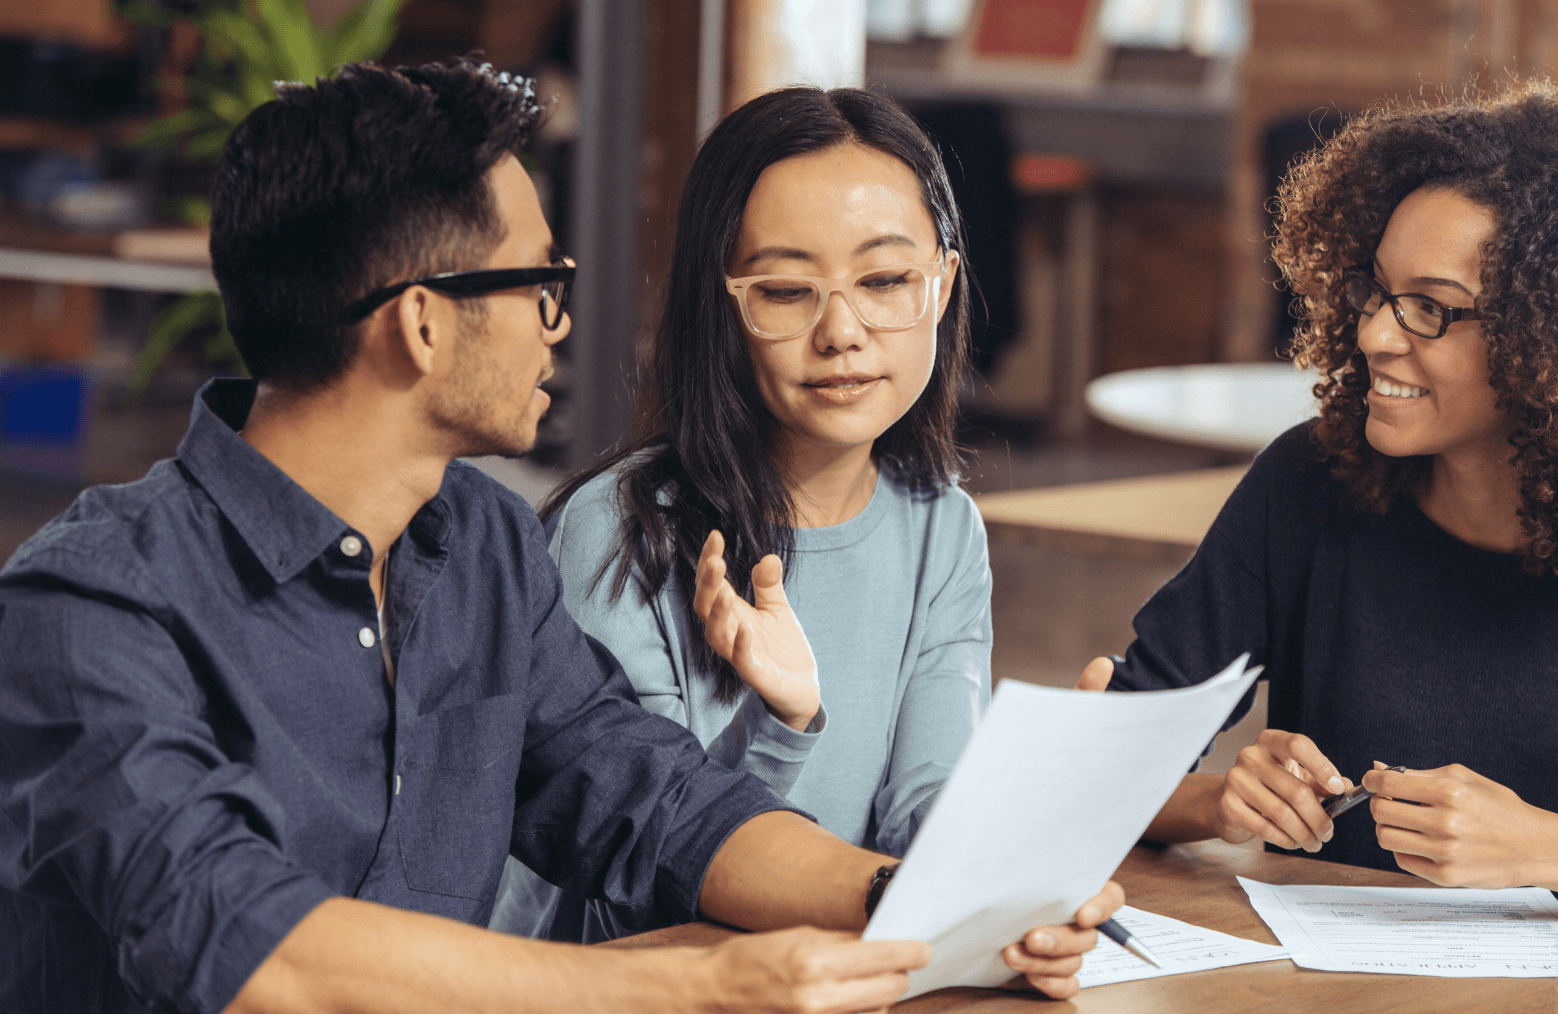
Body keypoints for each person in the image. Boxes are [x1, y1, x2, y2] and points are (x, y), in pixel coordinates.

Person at [0, 59, 1119, 1014]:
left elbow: (656, 804)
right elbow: (240, 942)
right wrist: (697, 986)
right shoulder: (90, 605)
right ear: (422, 322)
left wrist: (938, 905)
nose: (562, 318)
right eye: (539, 282)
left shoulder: (477, 541)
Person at [1079, 81, 1558, 900]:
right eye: (1377, 292)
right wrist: (1223, 802)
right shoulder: (1310, 483)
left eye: (1431, 309)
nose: (1373, 334)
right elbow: (1101, 766)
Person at [492, 85, 992, 942]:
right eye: (788, 291)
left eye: (884, 280)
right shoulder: (617, 531)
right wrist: (782, 722)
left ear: (941, 287)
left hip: (843, 972)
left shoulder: (941, 526)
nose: (842, 331)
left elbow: (930, 811)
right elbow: (642, 873)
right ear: (722, 304)